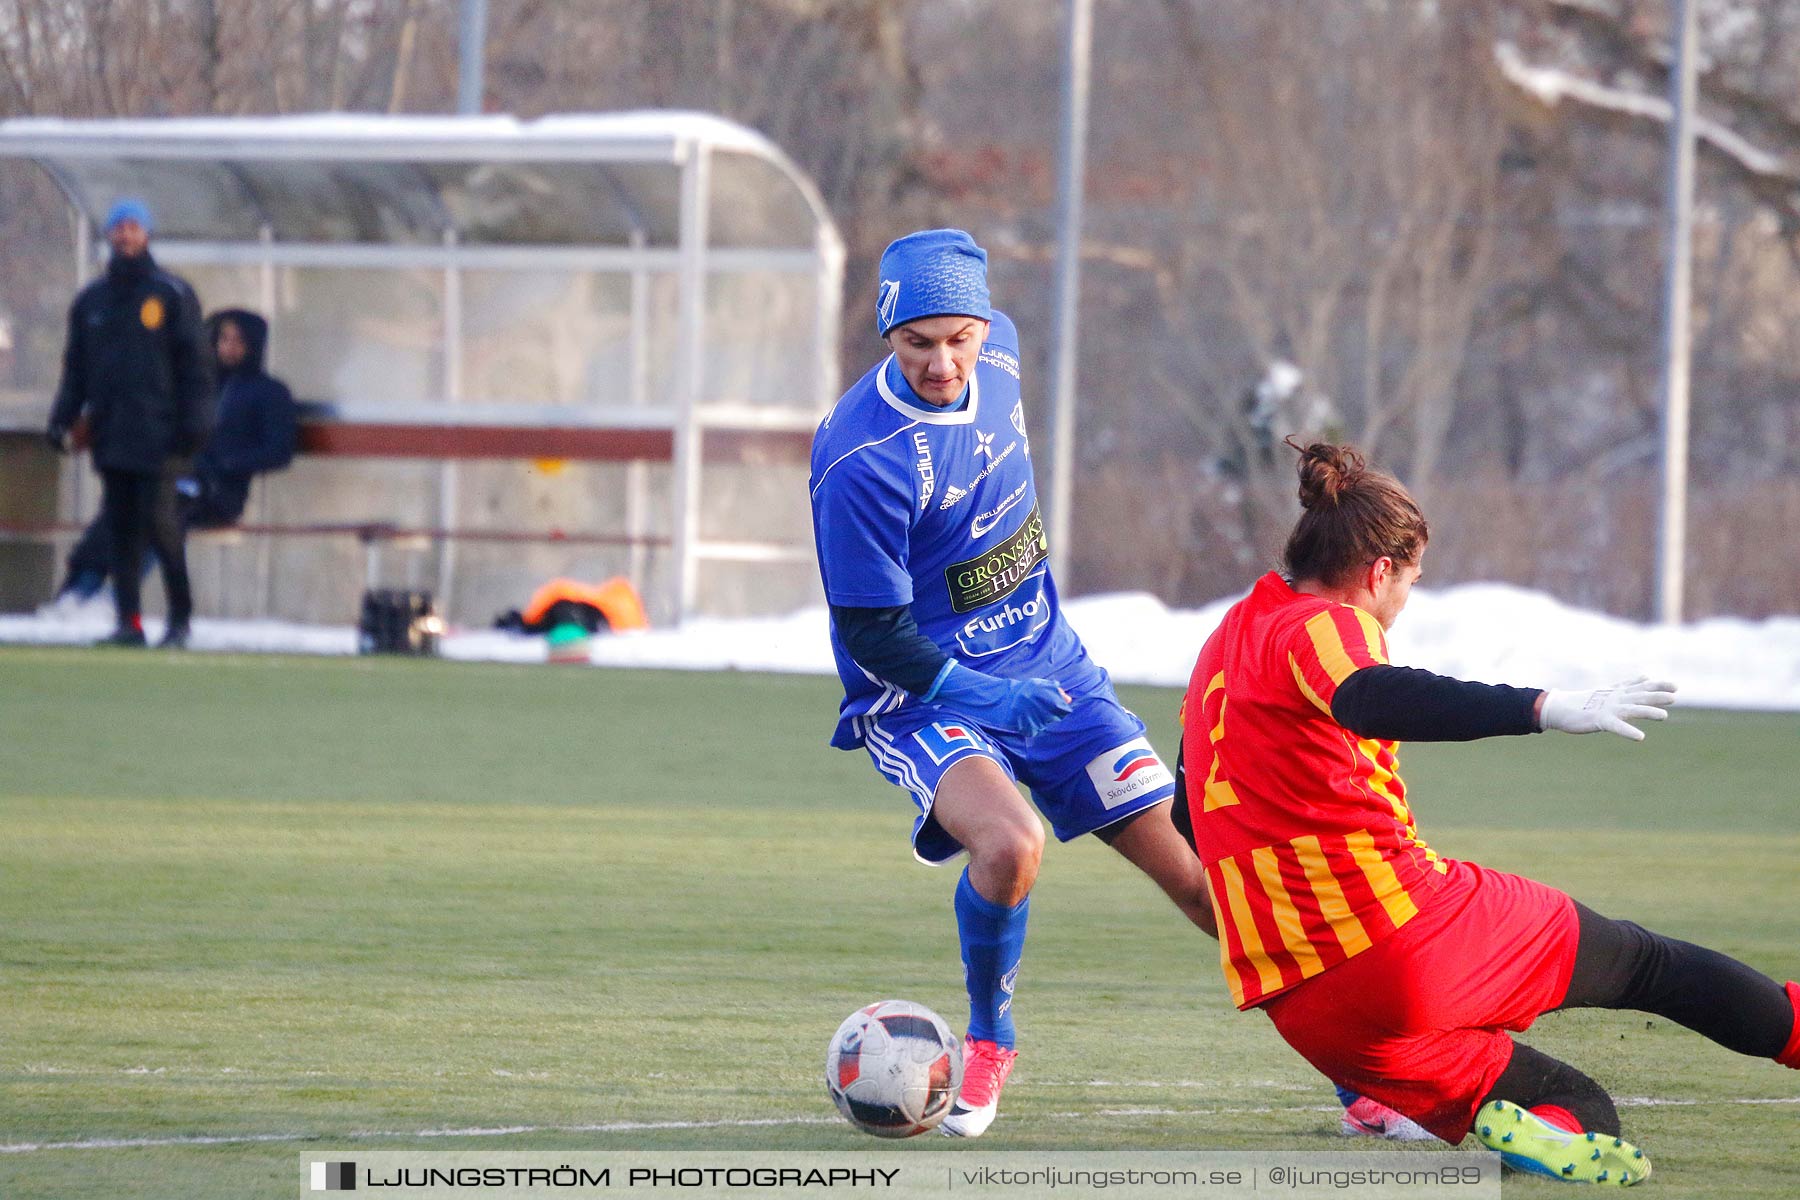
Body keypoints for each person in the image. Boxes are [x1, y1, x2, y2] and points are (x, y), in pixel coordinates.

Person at [1179, 439, 1800, 1183]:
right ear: (1379, 572)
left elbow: (1190, 815)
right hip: (1398, 932)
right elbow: (1371, 695)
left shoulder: (1224, 644)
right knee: (1643, 963)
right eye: (1409, 582)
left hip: (1310, 1012)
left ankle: (1551, 1134)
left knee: (1574, 1101)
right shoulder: (1323, 625)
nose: (1403, 603)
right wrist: (1541, 707)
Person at [809, 229, 1219, 1138]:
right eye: (917, 342)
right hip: (918, 696)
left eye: (958, 337)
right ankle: (991, 1037)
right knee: (1010, 844)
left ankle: (1364, 1077)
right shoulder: (859, 459)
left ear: (985, 326)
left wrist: (1019, 677)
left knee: (1202, 885)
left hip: (1050, 666)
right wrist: (978, 693)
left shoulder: (1006, 351)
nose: (943, 362)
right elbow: (871, 633)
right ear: (886, 332)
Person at [46, 198, 210, 648]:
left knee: (161, 526)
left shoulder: (171, 293)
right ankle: (129, 623)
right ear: (110, 236)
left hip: (163, 435)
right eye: (118, 228)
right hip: (112, 432)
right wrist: (61, 419)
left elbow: (196, 366)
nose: (125, 235)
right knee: (120, 529)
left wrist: (195, 425)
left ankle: (179, 621)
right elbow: (75, 369)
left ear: (147, 234)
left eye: (134, 227)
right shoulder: (92, 301)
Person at [54, 308, 297, 609]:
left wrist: (224, 463)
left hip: (218, 492)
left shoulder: (270, 393)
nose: (229, 347)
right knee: (123, 506)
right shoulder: (195, 388)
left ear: (254, 345)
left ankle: (116, 601)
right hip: (174, 479)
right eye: (223, 338)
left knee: (162, 513)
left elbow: (278, 452)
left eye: (238, 341)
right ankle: (76, 592)